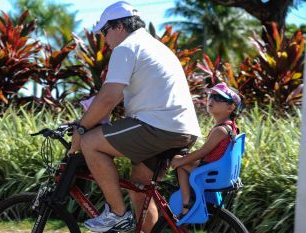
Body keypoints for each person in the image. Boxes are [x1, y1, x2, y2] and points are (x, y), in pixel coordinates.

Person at [68, 1, 201, 232]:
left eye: (105, 32)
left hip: (158, 127)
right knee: (139, 189)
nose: (104, 39)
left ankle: (117, 214)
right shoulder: (155, 46)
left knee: (90, 143)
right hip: (183, 129)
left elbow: (110, 96)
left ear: (119, 26)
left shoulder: (127, 47)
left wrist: (81, 128)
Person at [170, 82, 242, 217]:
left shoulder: (220, 130)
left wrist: (182, 160)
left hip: (211, 172)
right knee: (182, 159)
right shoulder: (230, 127)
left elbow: (203, 152)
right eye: (211, 96)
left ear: (231, 107)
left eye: (219, 98)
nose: (212, 100)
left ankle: (186, 204)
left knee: (179, 163)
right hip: (216, 168)